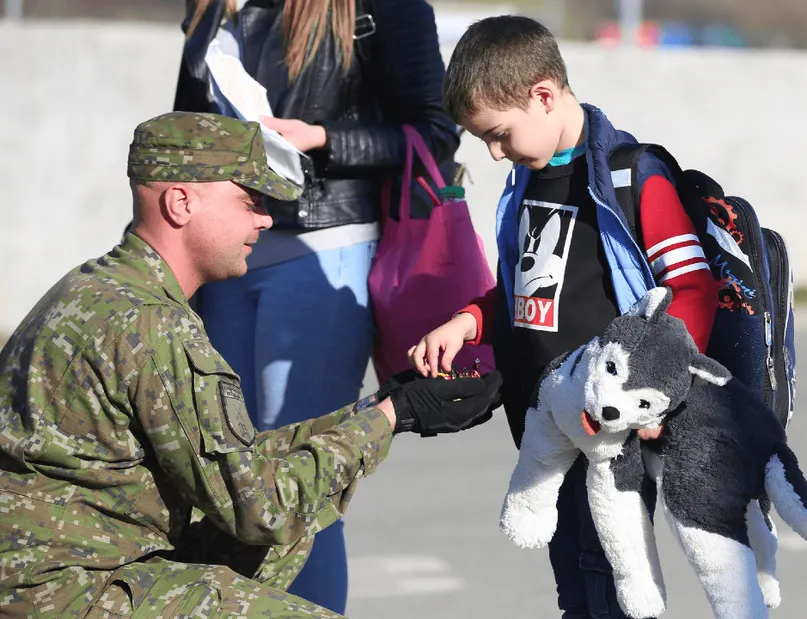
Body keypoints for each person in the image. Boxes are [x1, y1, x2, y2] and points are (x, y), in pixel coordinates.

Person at [0, 112, 501, 619]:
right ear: (181, 203)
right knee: (284, 524)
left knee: (294, 518)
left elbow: (239, 467)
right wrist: (392, 418)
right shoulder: (152, 325)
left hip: (58, 568)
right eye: (250, 201)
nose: (265, 220)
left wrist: (387, 404)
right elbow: (262, 506)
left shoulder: (98, 287)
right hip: (64, 592)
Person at [409, 16, 719, 619]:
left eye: (499, 134)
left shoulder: (633, 176)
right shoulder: (527, 181)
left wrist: (653, 396)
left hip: (612, 432)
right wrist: (469, 322)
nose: (495, 153)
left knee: (612, 590)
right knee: (576, 592)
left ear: (544, 95)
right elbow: (529, 289)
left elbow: (691, 292)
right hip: (546, 425)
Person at [172, 0, 461, 610]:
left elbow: (436, 131)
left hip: (325, 246)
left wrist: (322, 139)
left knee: (299, 480)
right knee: (230, 476)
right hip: (223, 257)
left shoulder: (378, 8)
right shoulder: (212, 9)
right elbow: (183, 136)